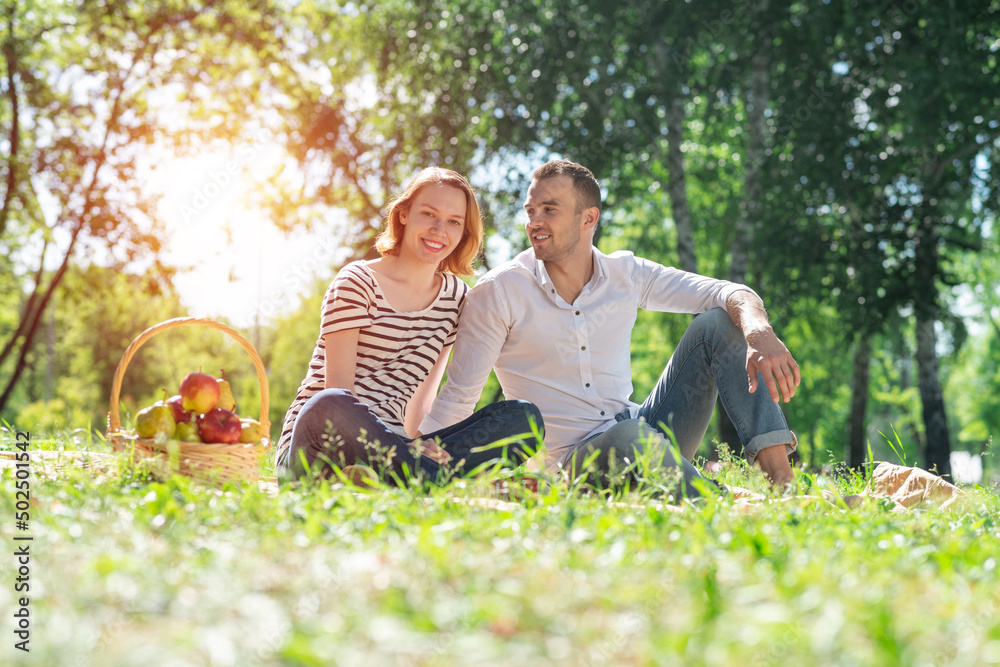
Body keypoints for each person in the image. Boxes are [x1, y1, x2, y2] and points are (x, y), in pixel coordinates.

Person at [418, 159, 800, 495]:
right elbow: (459, 398)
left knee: (718, 321)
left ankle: (783, 489)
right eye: (530, 210)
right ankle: (720, 499)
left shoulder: (625, 273)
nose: (534, 222)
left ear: (589, 218)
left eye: (549, 210)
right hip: (576, 465)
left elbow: (727, 291)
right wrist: (413, 457)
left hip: (646, 433)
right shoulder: (499, 291)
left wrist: (758, 332)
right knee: (628, 437)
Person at [275, 167, 542, 484]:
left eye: (454, 222)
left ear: (463, 232)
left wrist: (419, 444)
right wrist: (405, 446)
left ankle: (409, 480)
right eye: (429, 214)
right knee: (328, 404)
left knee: (523, 418)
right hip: (321, 444)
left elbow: (421, 401)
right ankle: (434, 482)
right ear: (403, 214)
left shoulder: (455, 297)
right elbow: (340, 389)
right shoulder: (357, 281)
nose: (439, 230)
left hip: (396, 451)